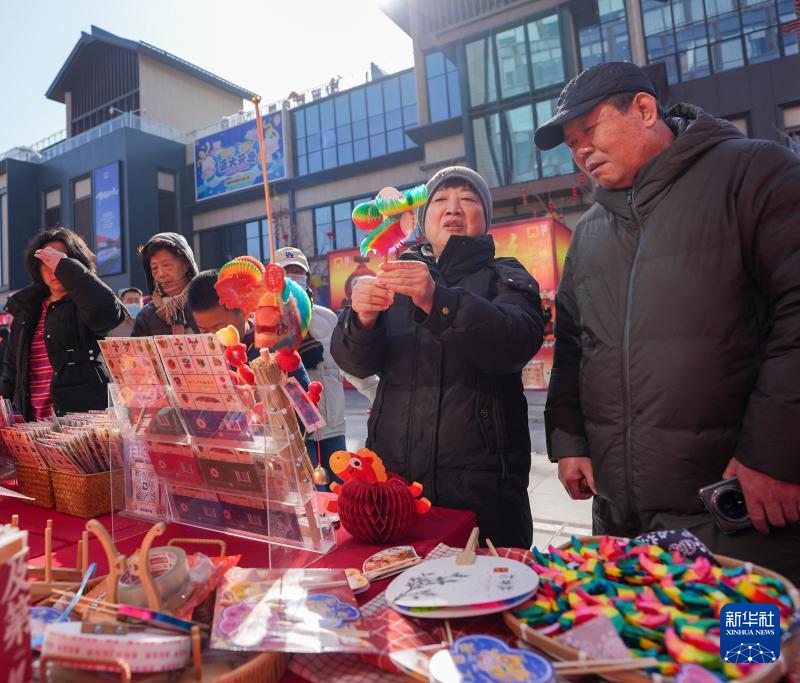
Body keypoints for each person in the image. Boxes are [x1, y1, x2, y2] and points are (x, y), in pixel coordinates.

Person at [535, 62, 800, 580]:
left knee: (747, 634)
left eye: (589, 130)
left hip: (736, 512)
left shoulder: (753, 173)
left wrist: (776, 455)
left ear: (644, 109)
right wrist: (570, 444)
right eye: (571, 144)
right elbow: (572, 346)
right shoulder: (589, 231)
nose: (581, 151)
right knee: (639, 634)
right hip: (620, 520)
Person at [331, 166, 544, 547]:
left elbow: (514, 343)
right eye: (441, 200)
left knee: (485, 579)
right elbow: (356, 363)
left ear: (486, 218)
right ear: (423, 219)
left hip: (482, 492)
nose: (453, 208)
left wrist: (438, 300)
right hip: (393, 491)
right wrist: (361, 319)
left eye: (468, 199)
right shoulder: (395, 277)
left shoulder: (505, 276)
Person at [272, 247, 378, 486]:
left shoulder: (327, 317)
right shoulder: (268, 320)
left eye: (298, 270)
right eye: (286, 271)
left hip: (333, 427)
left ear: (307, 277)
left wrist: (379, 395)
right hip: (297, 431)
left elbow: (348, 363)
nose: (293, 275)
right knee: (313, 496)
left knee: (342, 491)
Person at [0, 228, 125, 421]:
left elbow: (105, 313)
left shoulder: (86, 301)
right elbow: (11, 372)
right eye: (46, 261)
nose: (54, 268)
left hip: (81, 423)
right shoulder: (26, 309)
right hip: (33, 423)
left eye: (59, 260)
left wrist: (65, 266)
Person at [186, 270, 310, 389]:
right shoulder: (203, 356)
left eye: (220, 328)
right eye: (204, 331)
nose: (214, 337)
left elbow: (305, 399)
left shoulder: (276, 347)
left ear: (244, 312)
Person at [132, 233, 199, 336]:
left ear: (186, 265)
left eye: (166, 265)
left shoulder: (207, 302)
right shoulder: (146, 315)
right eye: (154, 268)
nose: (161, 274)